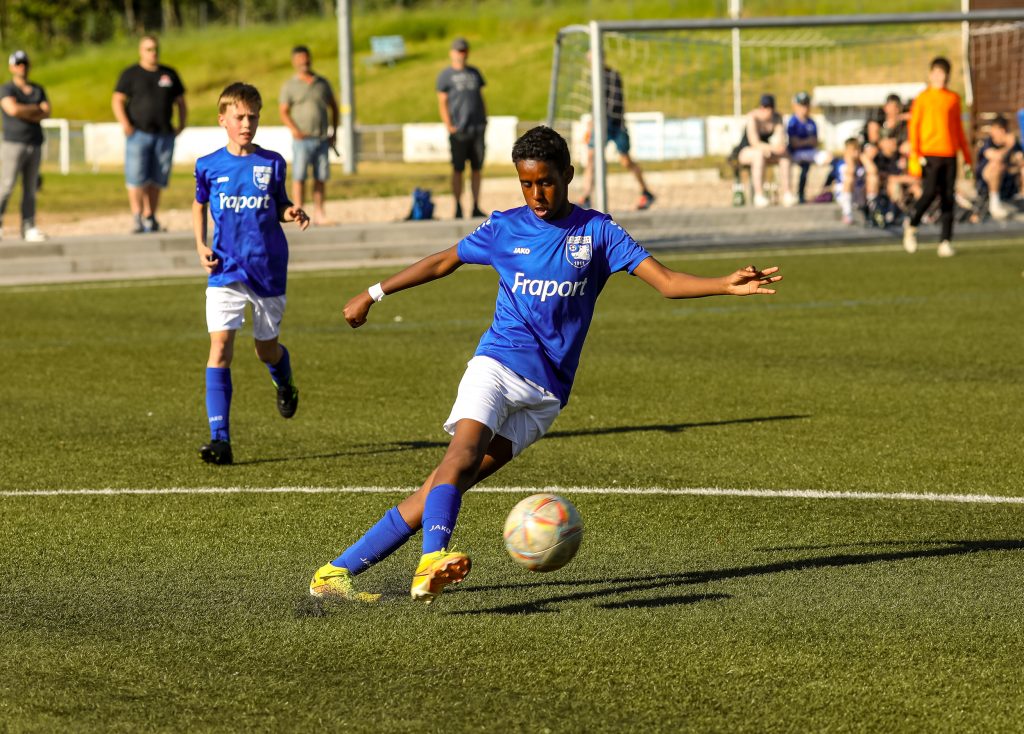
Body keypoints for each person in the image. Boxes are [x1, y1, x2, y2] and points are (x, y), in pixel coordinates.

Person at [307, 125, 782, 605]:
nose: (536, 194)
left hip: (547, 393)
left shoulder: (598, 232)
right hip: (497, 364)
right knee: (461, 456)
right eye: (527, 184)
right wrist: (373, 293)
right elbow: (443, 262)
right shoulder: (504, 228)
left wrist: (724, 283)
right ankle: (433, 559)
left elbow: (667, 282)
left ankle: (334, 573)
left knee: (445, 483)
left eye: (546, 182)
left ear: (568, 175)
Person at [192, 82, 309, 466]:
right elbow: (198, 204)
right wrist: (200, 244)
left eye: (253, 117)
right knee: (220, 348)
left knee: (265, 350)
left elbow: (279, 205)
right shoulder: (208, 165)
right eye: (239, 117)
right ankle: (220, 439)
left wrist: (291, 211)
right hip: (225, 268)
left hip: (267, 268)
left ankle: (284, 381)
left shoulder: (272, 162)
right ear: (222, 120)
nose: (246, 124)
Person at [112, 35, 187, 234]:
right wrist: (126, 124)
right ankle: (137, 216)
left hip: (164, 133)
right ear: (140, 51)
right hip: (138, 133)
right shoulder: (131, 74)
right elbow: (117, 100)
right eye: (148, 49)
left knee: (157, 177)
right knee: (136, 177)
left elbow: (181, 102)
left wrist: (181, 124)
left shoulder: (169, 73)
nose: (153, 53)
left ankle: (150, 216)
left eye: (155, 49)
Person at [903, 57, 972, 258]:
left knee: (948, 197)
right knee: (929, 193)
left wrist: (967, 157)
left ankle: (945, 241)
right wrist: (915, 155)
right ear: (931, 74)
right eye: (937, 73)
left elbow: (958, 129)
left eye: (943, 73)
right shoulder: (922, 98)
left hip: (949, 153)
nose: (940, 77)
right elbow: (914, 127)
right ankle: (912, 225)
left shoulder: (953, 98)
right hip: (929, 154)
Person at [577, 58, 655, 211]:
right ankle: (586, 196)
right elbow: (595, 102)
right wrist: (592, 121)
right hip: (600, 124)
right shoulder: (594, 77)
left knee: (625, 161)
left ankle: (646, 192)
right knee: (591, 157)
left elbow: (615, 103)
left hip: (615, 124)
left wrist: (599, 121)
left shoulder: (613, 76)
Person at [279, 45, 339, 227]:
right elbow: (283, 111)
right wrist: (294, 130)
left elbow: (334, 107)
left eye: (306, 58)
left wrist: (334, 132)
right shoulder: (290, 86)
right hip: (302, 140)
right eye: (300, 59)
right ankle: (299, 212)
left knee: (320, 177)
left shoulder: (322, 83)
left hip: (321, 137)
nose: (304, 62)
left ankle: (320, 213)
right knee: (300, 176)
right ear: (294, 62)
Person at [0, 50, 49, 242]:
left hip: (34, 143)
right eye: (18, 64)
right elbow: (12, 109)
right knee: (6, 185)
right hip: (13, 143)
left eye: (25, 63)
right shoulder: (7, 89)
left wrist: (24, 110)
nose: (22, 67)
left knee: (30, 188)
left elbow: (46, 111)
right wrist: (34, 109)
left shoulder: (38, 89)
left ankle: (29, 226)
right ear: (12, 67)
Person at [436, 37, 487, 219]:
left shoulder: (475, 72)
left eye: (464, 50)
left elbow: (480, 97)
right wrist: (449, 125)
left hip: (477, 128)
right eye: (458, 50)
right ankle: (457, 206)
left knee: (477, 168)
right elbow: (442, 102)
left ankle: (476, 206)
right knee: (458, 169)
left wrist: (485, 119)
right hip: (459, 130)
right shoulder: (446, 75)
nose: (461, 54)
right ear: (452, 53)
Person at [734, 94, 795, 208]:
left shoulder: (777, 118)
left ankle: (787, 193)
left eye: (769, 107)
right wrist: (772, 148)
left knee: (785, 156)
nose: (766, 110)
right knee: (759, 155)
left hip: (767, 151)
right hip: (747, 151)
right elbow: (754, 143)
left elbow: (780, 139)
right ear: (760, 107)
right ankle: (759, 195)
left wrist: (779, 148)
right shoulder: (753, 118)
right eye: (764, 107)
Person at [786, 91, 830, 204]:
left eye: (806, 105)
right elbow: (794, 143)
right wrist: (807, 141)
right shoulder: (793, 122)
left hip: (811, 152)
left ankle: (825, 191)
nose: (804, 108)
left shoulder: (811, 122)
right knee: (805, 165)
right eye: (801, 105)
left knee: (829, 158)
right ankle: (800, 194)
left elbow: (815, 142)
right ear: (795, 106)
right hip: (796, 153)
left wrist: (803, 142)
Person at [976, 115, 1022, 221]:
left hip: (1009, 181)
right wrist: (1008, 146)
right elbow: (997, 157)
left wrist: (1017, 159)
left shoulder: (1015, 144)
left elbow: (1019, 160)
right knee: (997, 165)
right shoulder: (988, 142)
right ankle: (994, 204)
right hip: (987, 182)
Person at [835, 137, 866, 225]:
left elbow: (873, 171)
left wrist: (864, 158)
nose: (855, 153)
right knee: (849, 179)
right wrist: (849, 160)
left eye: (857, 149)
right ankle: (847, 213)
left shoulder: (862, 163)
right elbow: (851, 172)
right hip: (845, 195)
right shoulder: (842, 164)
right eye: (852, 150)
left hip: (860, 193)